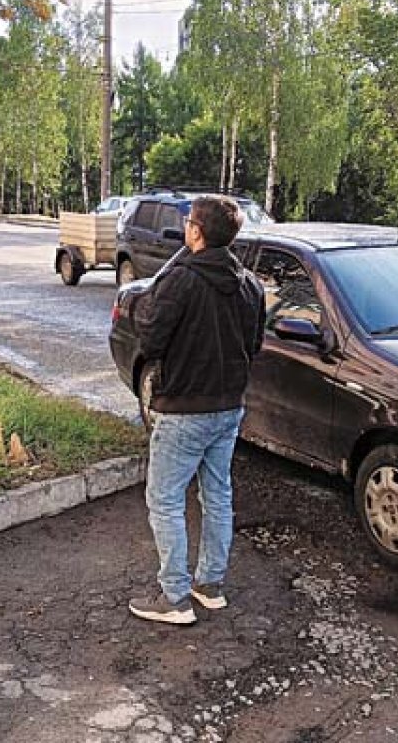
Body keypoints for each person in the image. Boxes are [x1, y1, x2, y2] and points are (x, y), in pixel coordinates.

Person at [128, 195, 266, 625]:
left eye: (189, 221)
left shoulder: (180, 279)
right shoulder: (250, 285)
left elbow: (150, 341)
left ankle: (174, 598)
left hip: (184, 408)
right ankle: (209, 586)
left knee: (165, 499)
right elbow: (254, 346)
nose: (186, 226)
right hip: (229, 408)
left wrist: (145, 305)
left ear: (196, 232)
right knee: (217, 495)